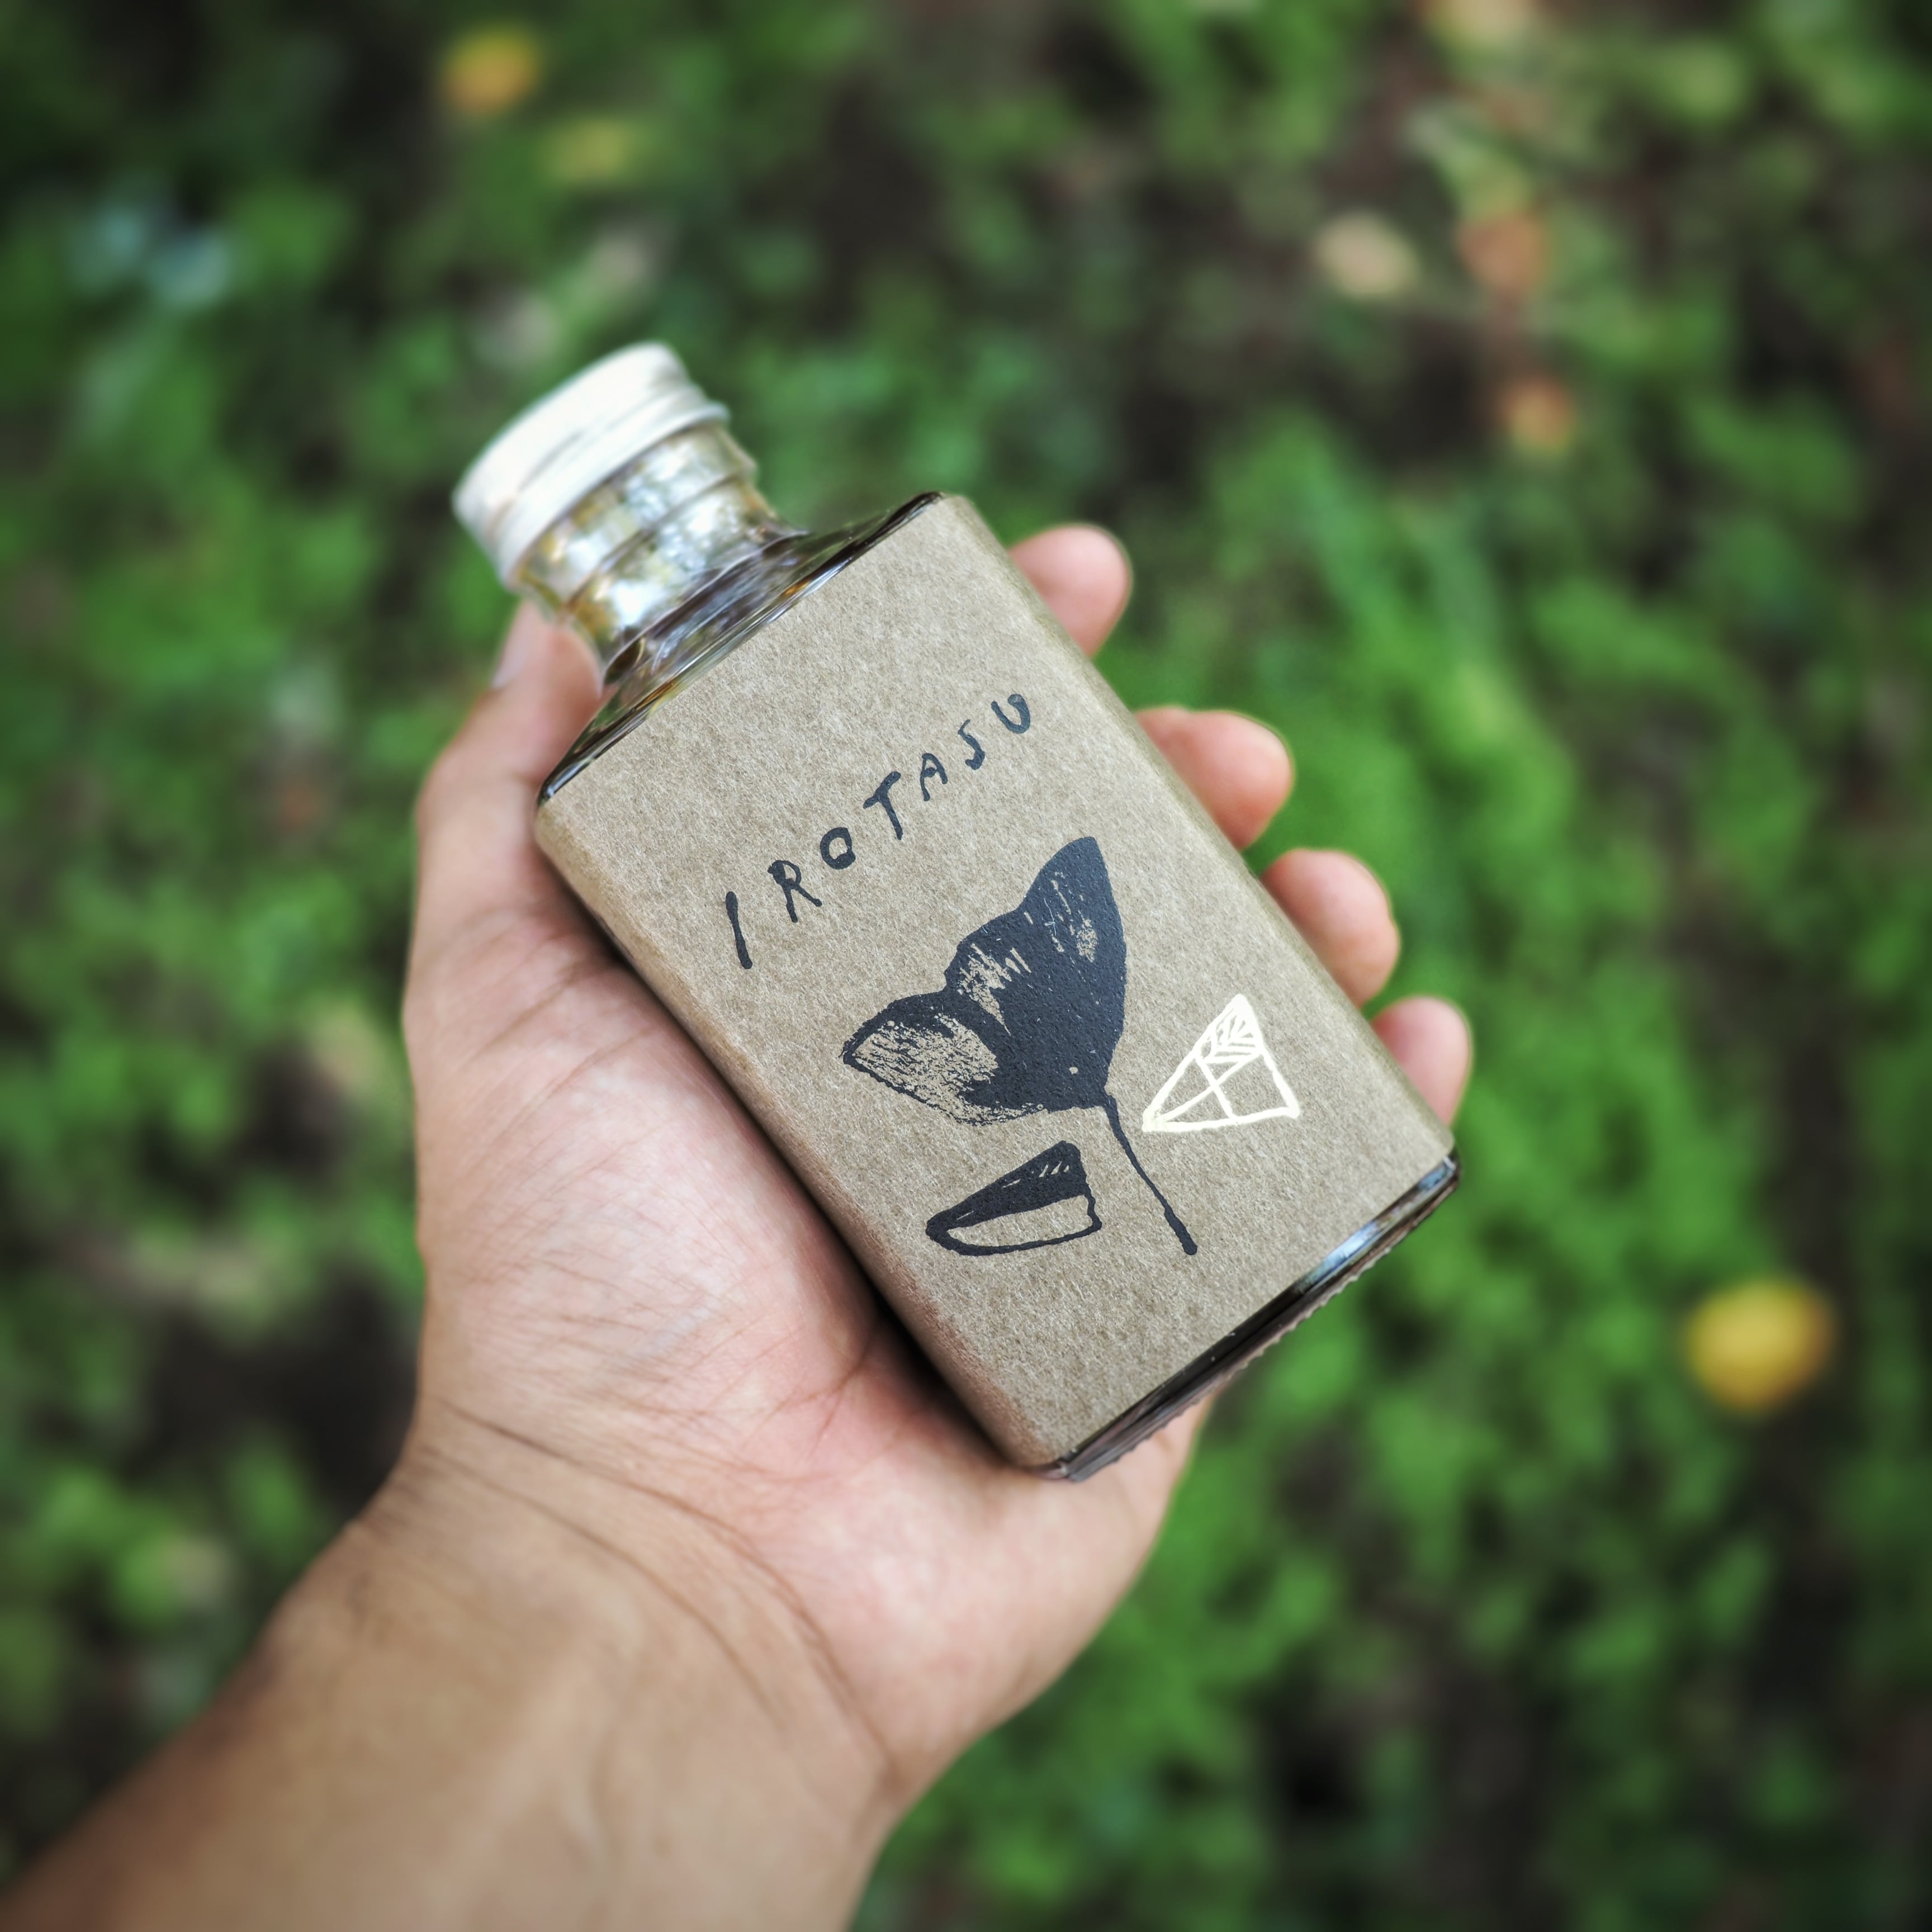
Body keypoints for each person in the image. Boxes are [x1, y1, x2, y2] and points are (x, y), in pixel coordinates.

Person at [0, 527, 1469, 1930]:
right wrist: (666, 1539)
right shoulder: (635, 780)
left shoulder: (852, 608)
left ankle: (1302, 1167)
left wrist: (644, 1558)